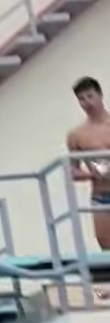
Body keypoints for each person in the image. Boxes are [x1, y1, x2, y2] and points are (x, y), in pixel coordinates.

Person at [67, 76, 110, 252]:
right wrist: (92, 174)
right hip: (101, 194)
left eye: (90, 96)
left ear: (100, 95)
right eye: (82, 99)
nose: (87, 102)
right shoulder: (77, 135)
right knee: (106, 245)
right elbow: (73, 171)